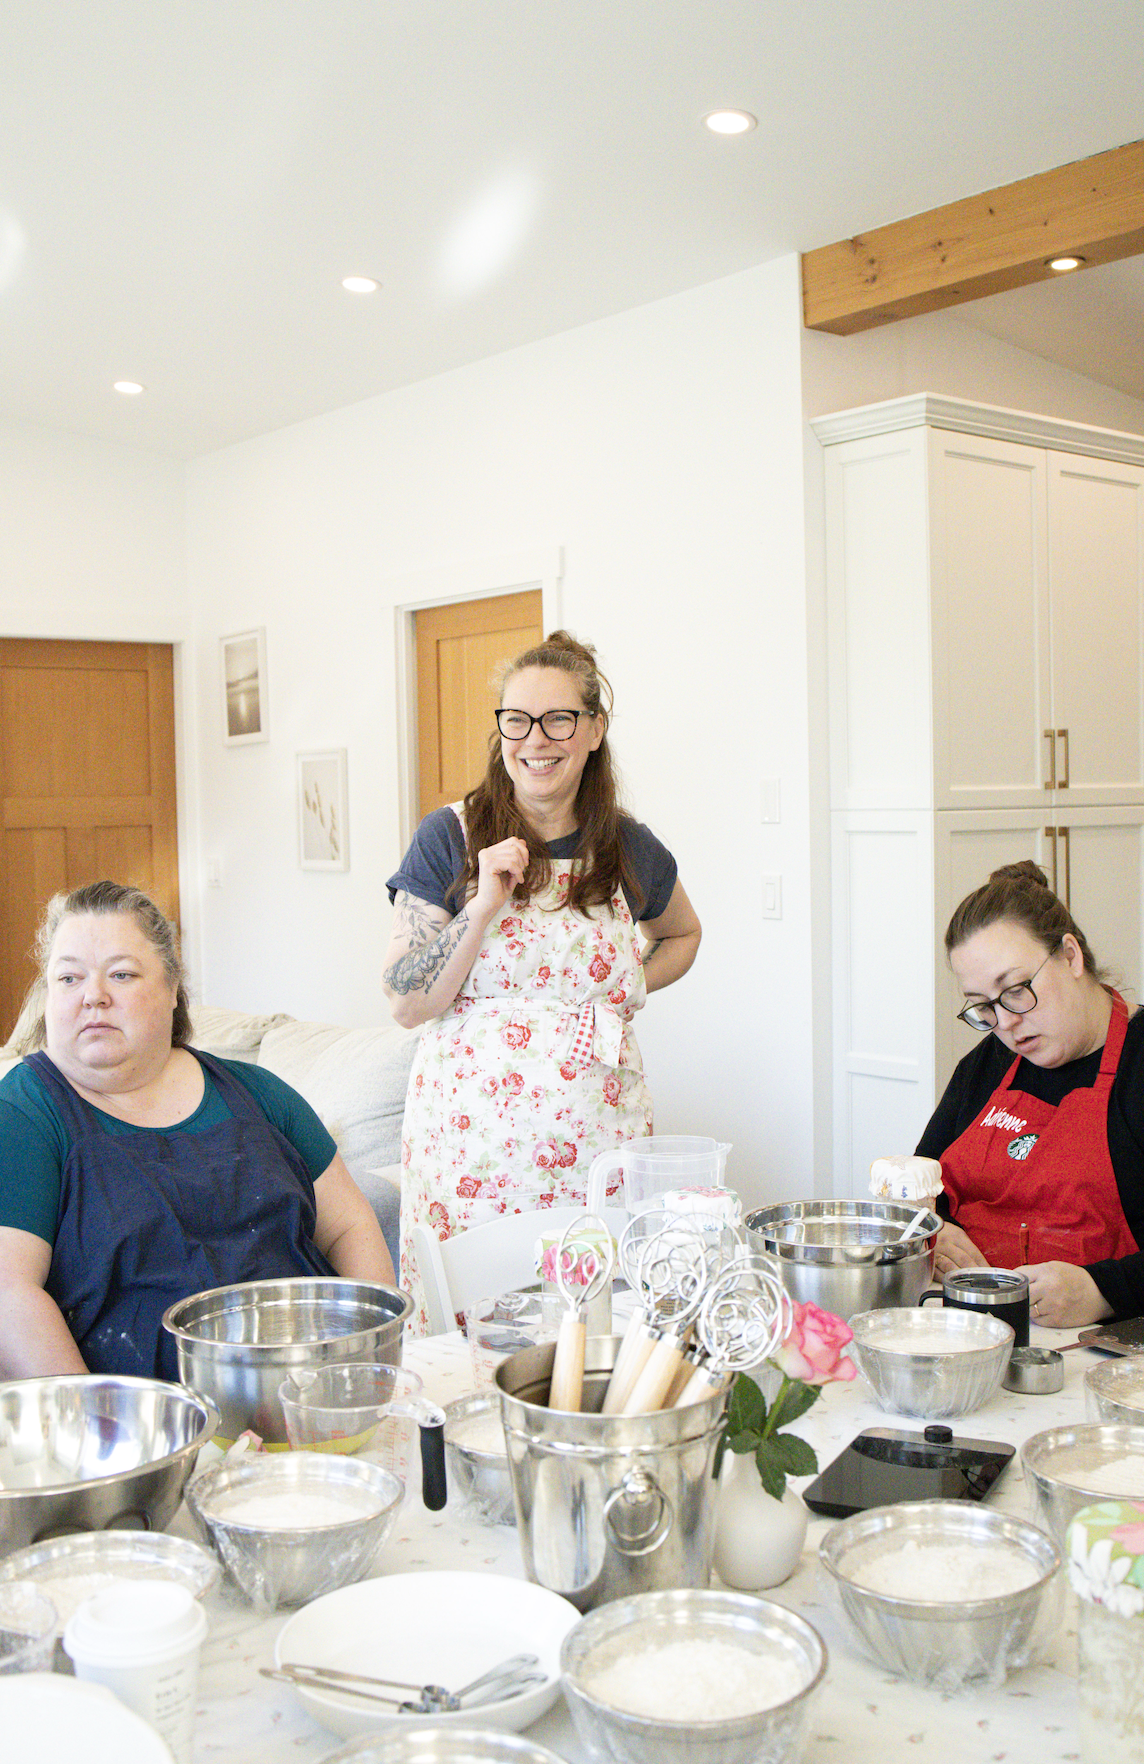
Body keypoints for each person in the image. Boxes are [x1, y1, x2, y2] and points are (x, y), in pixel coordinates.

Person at [383, 630, 701, 1330]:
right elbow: (407, 999)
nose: (537, 740)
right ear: (500, 730)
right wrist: (483, 904)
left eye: (559, 719)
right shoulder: (450, 839)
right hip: (469, 1154)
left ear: (593, 730)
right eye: (517, 720)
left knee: (592, 1331)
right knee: (470, 1335)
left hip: (597, 1144)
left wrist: (627, 992)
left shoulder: (627, 845)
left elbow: (682, 934)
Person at [0, 880, 394, 1382]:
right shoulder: (25, 1111)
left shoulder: (258, 1093)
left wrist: (370, 1363)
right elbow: (9, 1293)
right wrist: (100, 1425)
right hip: (144, 1422)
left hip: (309, 1391)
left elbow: (349, 1226)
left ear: (171, 990)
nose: (93, 996)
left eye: (120, 974)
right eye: (69, 978)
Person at [917, 860, 1144, 1328]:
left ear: (1070, 955)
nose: (1005, 1023)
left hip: (1108, 1352)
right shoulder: (984, 1067)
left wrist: (1103, 1290)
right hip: (970, 1332)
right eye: (982, 1006)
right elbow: (920, 1185)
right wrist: (930, 1229)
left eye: (1016, 989)